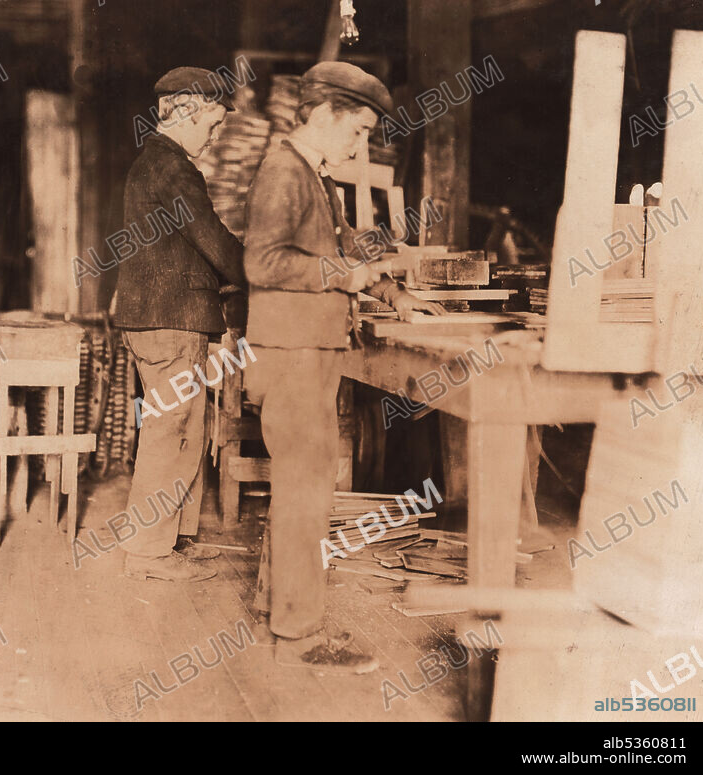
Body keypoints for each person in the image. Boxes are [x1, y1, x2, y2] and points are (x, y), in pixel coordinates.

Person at [242, 61, 445, 672]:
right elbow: (263, 263)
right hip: (296, 354)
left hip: (308, 350)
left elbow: (330, 248)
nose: (361, 143)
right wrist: (346, 275)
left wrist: (382, 273)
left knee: (298, 488)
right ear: (326, 114)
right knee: (306, 493)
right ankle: (301, 633)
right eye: (357, 129)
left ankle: (272, 605)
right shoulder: (284, 170)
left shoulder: (311, 173)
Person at [114, 67, 248, 582]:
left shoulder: (160, 164)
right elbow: (211, 239)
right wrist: (261, 272)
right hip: (169, 321)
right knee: (169, 431)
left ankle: (173, 540)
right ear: (187, 110)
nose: (215, 137)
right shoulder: (173, 169)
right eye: (213, 123)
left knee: (187, 429)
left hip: (169, 318)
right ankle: (148, 553)